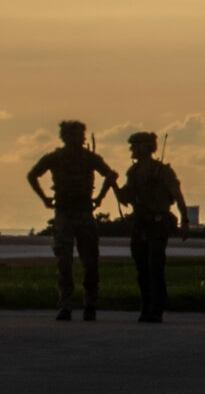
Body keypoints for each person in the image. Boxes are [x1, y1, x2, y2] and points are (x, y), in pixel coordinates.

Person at [26, 120, 118, 321]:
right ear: (64, 137)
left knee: (90, 262)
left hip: (84, 212)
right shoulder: (55, 157)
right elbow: (32, 175)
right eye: (70, 134)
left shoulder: (89, 158)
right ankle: (66, 304)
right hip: (64, 213)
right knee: (64, 262)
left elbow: (111, 175)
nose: (75, 138)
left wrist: (100, 198)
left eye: (77, 134)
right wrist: (44, 198)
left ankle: (90, 303)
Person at [117, 131, 190, 323]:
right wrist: (113, 185)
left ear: (146, 146)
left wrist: (185, 221)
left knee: (155, 266)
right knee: (142, 268)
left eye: (136, 145)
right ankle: (146, 305)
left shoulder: (162, 171)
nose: (132, 149)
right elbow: (126, 197)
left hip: (158, 223)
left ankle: (156, 308)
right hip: (140, 224)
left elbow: (177, 195)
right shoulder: (132, 173)